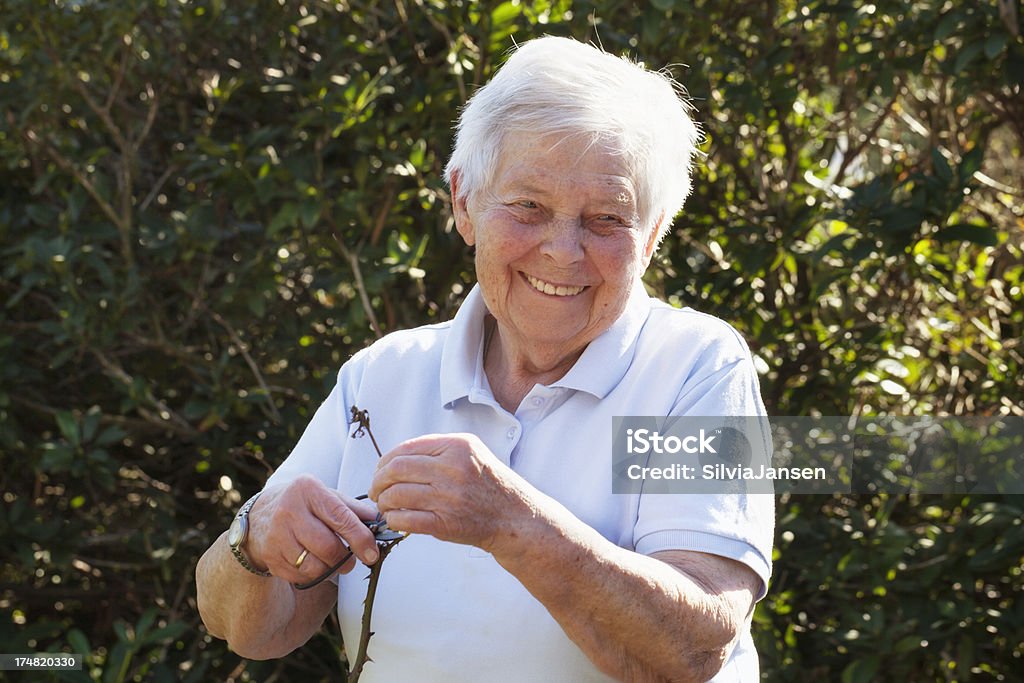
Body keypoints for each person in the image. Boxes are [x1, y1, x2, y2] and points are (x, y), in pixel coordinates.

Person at [196, 35, 773, 682]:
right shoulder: (383, 376)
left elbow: (694, 650)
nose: (563, 250)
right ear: (463, 203)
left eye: (607, 217)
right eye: (528, 206)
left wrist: (512, 521)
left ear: (656, 231)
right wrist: (252, 538)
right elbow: (246, 626)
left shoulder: (694, 368)